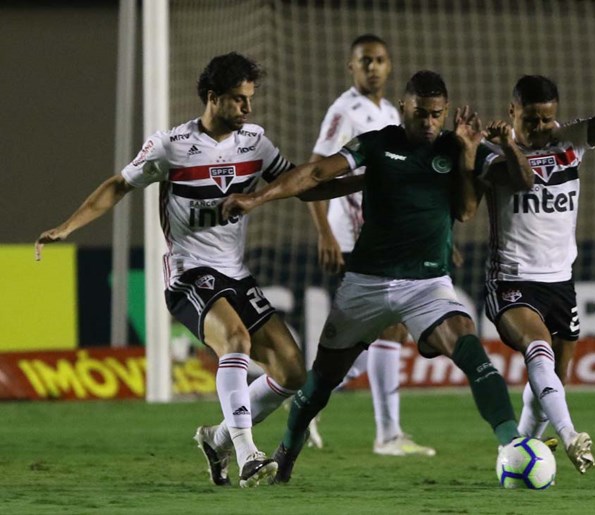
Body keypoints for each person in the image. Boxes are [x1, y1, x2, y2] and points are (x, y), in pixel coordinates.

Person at [35, 52, 361, 488]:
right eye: (239, 100)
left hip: (236, 274)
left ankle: (217, 439)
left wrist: (368, 178)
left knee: (291, 370)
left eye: (250, 99)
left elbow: (301, 184)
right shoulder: (171, 146)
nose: (248, 109)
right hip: (188, 274)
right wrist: (67, 226)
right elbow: (118, 185)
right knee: (237, 338)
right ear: (213, 98)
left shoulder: (255, 143)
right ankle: (247, 454)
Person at [222, 70, 526, 484]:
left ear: (447, 112)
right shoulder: (377, 143)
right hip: (365, 284)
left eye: (437, 114)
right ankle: (286, 454)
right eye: (421, 113)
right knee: (320, 383)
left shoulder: (457, 148)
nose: (429, 122)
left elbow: (467, 211)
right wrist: (256, 198)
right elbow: (315, 174)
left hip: (426, 285)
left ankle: (513, 445)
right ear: (404, 107)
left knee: (471, 349)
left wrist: (472, 153)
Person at [476, 45, 595, 473]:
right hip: (513, 279)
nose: (544, 127)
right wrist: (508, 145)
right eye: (533, 119)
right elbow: (523, 180)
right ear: (512, 111)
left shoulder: (570, 140)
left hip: (560, 280)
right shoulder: (490, 154)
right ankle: (570, 437)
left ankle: (518, 452)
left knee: (555, 381)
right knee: (538, 347)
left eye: (549, 118)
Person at [305, 34, 434, 456]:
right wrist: (324, 231)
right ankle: (387, 434)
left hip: (384, 237)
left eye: (379, 60)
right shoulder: (344, 111)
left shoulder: (391, 111)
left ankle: (308, 399)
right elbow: (316, 170)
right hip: (349, 237)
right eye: (365, 61)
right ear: (351, 67)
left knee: (370, 336)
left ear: (390, 66)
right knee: (386, 327)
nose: (373, 67)